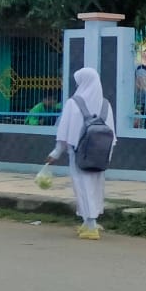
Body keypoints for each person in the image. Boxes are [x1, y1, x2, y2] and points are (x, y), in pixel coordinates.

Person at [45, 67, 114, 239]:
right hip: (100, 154)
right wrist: (108, 156)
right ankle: (88, 222)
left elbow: (64, 131)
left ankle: (91, 226)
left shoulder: (73, 102)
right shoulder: (105, 104)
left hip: (78, 154)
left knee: (82, 187)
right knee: (96, 187)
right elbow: (112, 133)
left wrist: (56, 152)